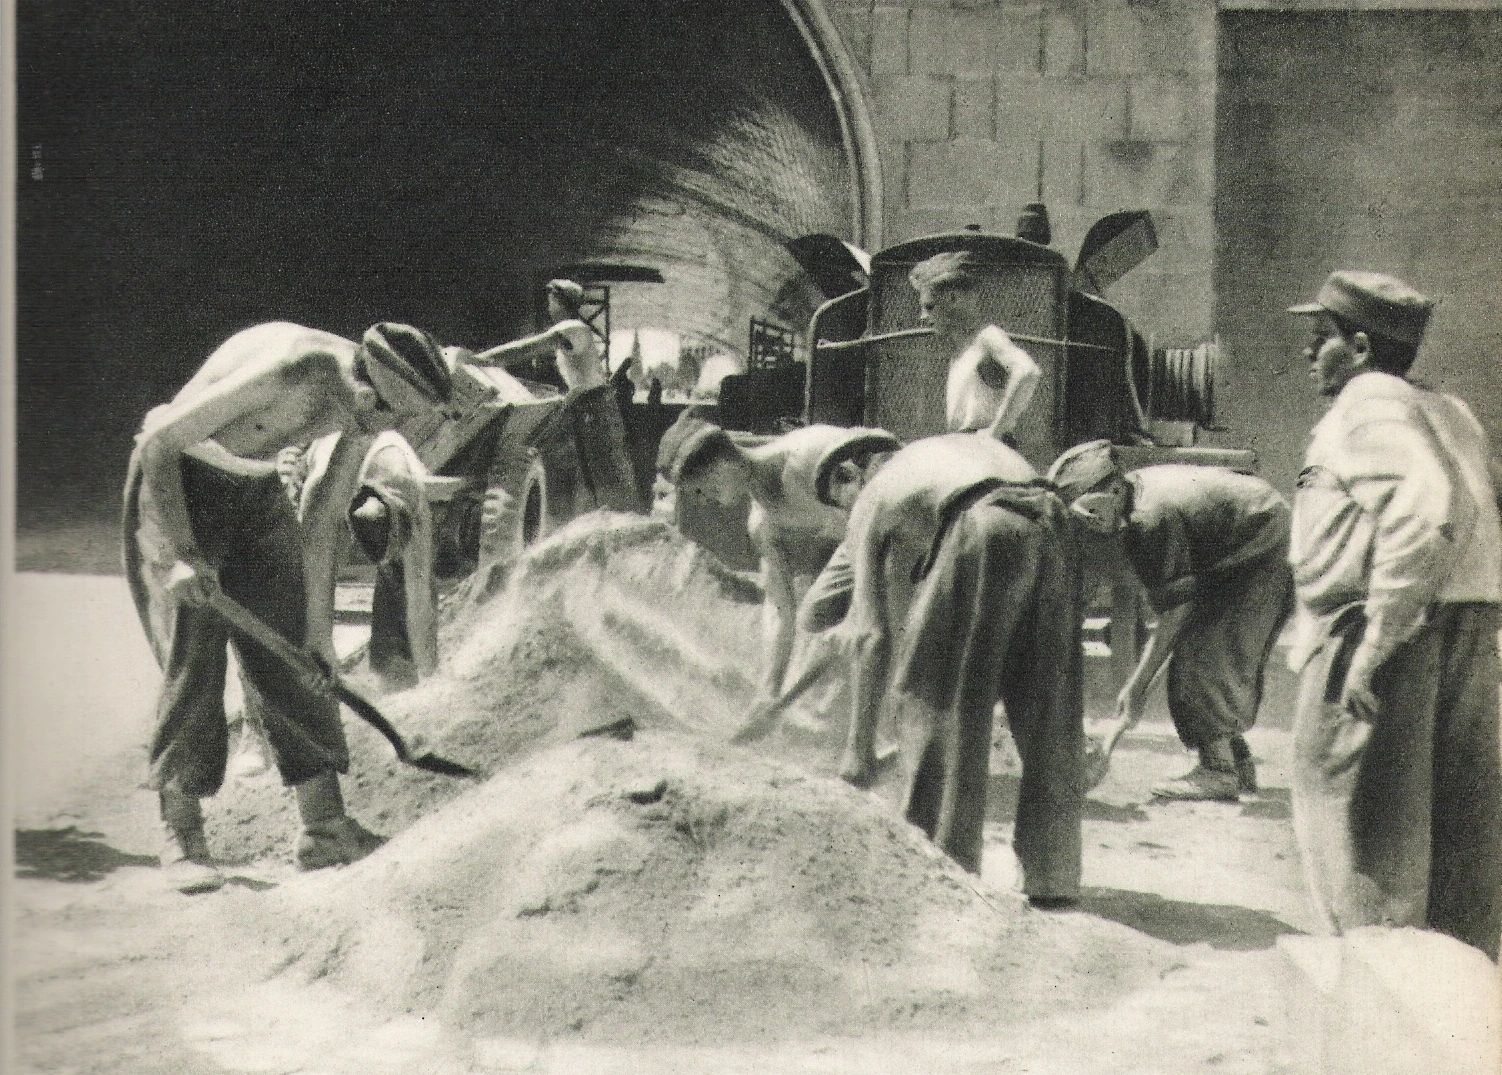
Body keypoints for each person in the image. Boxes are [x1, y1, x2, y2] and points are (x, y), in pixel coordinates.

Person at [123, 321, 453, 893]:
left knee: (296, 656)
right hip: (179, 481)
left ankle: (324, 829)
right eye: (379, 410)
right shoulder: (291, 368)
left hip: (255, 491)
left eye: (395, 419)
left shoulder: (367, 409)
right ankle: (182, 834)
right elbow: (158, 441)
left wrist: (319, 637)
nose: (380, 426)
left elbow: (321, 520)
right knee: (195, 657)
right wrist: (181, 554)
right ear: (361, 380)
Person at [1286, 269, 1502, 960]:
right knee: (1459, 844)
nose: (1307, 351)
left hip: (1381, 632)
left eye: (1321, 337)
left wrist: (1379, 639)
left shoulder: (1368, 403)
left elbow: (1431, 506)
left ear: (1359, 348)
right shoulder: (1449, 410)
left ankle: (1373, 993)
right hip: (1466, 626)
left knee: (1364, 840)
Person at [789, 433, 1084, 903]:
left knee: (933, 697)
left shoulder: (873, 495)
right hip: (1056, 524)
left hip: (982, 525)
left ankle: (940, 870)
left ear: (850, 476)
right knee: (1048, 705)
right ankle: (1054, 874)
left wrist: (858, 751)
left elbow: (867, 635)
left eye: (839, 502)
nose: (845, 515)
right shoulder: (937, 457)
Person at [1047, 441, 1294, 801]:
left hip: (1261, 543)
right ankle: (1236, 764)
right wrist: (1139, 685)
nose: (1092, 525)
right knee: (1209, 652)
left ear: (1113, 491)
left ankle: (1218, 771)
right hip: (1246, 538)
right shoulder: (1132, 495)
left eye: (1091, 513)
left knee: (1202, 655)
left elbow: (1175, 614)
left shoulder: (1150, 518)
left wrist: (1136, 686)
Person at [655, 414, 899, 694]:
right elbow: (779, 608)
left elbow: (888, 477)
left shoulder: (804, 456)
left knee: (863, 622)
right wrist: (770, 690)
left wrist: (865, 606)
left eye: (702, 488)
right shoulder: (762, 523)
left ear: (720, 465)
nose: (704, 500)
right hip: (867, 545)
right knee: (814, 616)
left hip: (899, 519)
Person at [466, 279, 641, 515]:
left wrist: (479, 359)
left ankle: (619, 519)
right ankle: (611, 518)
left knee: (604, 472)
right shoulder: (574, 329)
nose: (548, 307)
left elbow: (526, 348)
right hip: (589, 405)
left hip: (594, 408)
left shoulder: (571, 327)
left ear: (560, 302)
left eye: (551, 301)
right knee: (598, 471)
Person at [909, 251, 1042, 443]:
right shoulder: (960, 350)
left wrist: (996, 431)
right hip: (964, 446)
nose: (923, 316)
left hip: (984, 450)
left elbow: (1028, 371)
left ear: (952, 299)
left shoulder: (987, 337)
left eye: (929, 306)